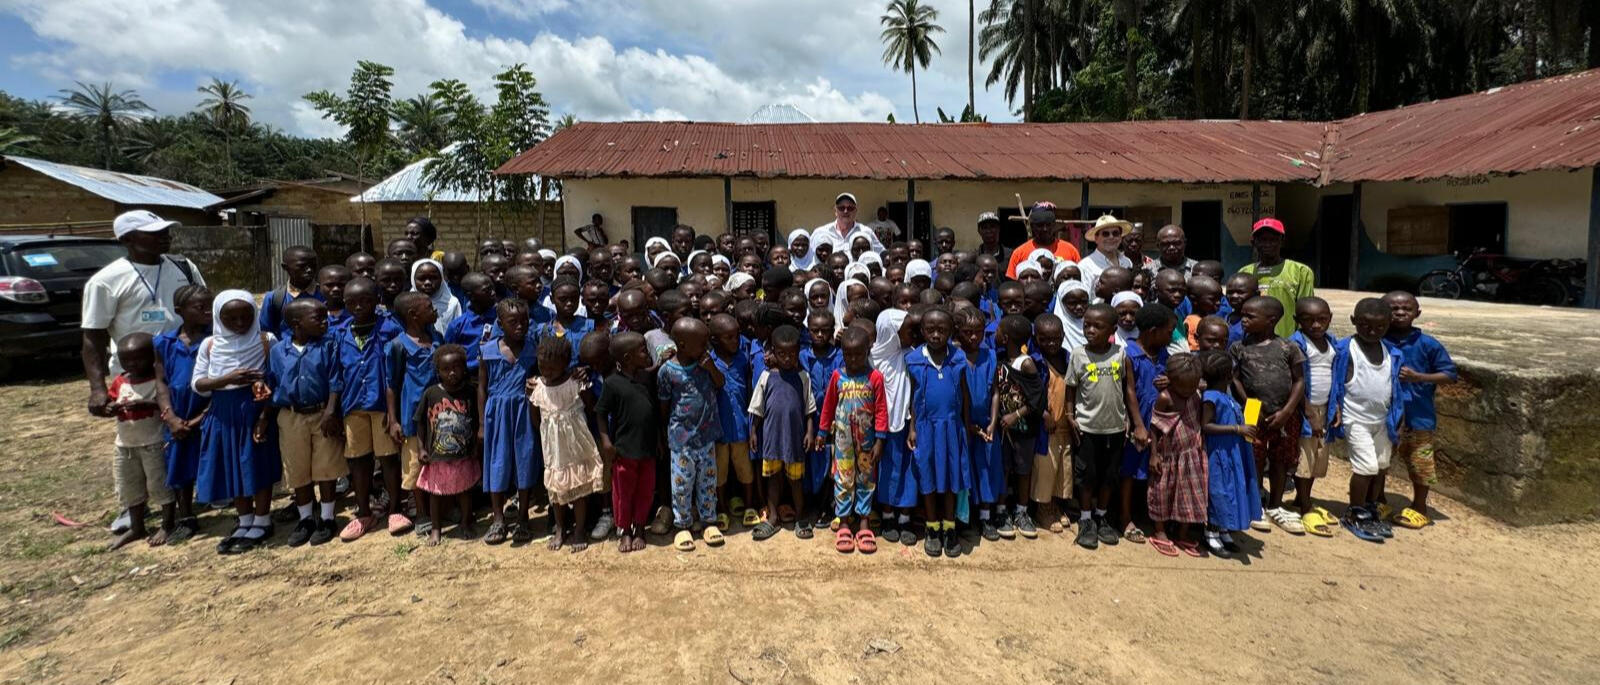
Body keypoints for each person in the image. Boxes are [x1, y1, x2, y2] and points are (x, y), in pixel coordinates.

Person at [83, 210, 207, 426]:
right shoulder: (106, 281)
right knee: (145, 438)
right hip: (139, 377)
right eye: (154, 233)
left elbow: (206, 311)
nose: (165, 236)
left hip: (184, 369)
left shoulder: (184, 267)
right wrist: (97, 388)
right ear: (127, 239)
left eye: (165, 231)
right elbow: (93, 336)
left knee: (189, 431)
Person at [191, 290, 279, 555]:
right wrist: (227, 379)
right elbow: (198, 383)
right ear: (219, 318)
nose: (240, 323)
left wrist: (265, 413)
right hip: (224, 412)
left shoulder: (265, 340)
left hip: (255, 410)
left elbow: (277, 377)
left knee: (257, 464)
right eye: (231, 318)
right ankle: (244, 520)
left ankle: (262, 519)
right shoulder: (210, 345)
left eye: (246, 316)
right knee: (232, 466)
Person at [266, 298, 345, 548]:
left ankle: (327, 517)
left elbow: (335, 380)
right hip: (291, 416)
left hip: (322, 414)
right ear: (296, 324)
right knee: (298, 468)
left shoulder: (328, 345)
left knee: (326, 466)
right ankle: (305, 519)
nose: (325, 322)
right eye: (318, 318)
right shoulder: (278, 351)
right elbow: (272, 382)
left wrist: (331, 411)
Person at [1065, 304, 1142, 550]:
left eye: (1097, 326)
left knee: (1109, 476)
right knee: (1087, 476)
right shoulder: (1078, 355)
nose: (1090, 330)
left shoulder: (1120, 355)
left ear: (1112, 330)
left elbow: (1128, 390)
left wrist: (1134, 421)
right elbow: (1071, 388)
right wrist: (1070, 415)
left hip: (1115, 429)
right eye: (1087, 325)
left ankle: (1101, 515)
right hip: (1087, 428)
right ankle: (1086, 519)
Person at [1329, 298, 1406, 543]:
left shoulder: (1392, 353)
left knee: (1381, 465)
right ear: (1354, 321)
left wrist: (1399, 418)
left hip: (1383, 420)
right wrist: (1335, 408)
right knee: (1366, 467)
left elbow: (1395, 389)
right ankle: (1355, 512)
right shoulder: (1345, 350)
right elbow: (1334, 382)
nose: (1372, 331)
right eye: (1365, 325)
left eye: (1380, 327)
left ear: (1389, 324)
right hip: (1355, 419)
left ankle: (1370, 507)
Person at [1230, 296, 1306, 535]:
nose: (1244, 320)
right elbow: (1235, 379)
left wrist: (1287, 411)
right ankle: (1256, 504)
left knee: (1281, 459)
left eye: (1250, 316)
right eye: (1243, 315)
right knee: (1255, 457)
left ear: (1271, 320)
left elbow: (1299, 381)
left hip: (1285, 412)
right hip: (1252, 409)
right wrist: (1248, 402)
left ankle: (1276, 505)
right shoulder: (1239, 347)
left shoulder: (1288, 347)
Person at [332, 278, 400, 542]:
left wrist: (394, 413)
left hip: (381, 405)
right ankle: (363, 513)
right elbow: (336, 375)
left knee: (388, 457)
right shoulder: (340, 334)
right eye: (352, 302)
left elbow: (395, 370)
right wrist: (333, 410)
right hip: (353, 406)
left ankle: (395, 509)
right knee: (358, 459)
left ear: (377, 301)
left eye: (365, 301)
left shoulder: (389, 329)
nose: (358, 306)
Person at [1383, 291, 1456, 529]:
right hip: (1385, 416)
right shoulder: (1378, 340)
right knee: (1380, 461)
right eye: (1394, 309)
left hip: (1418, 416)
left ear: (1417, 313)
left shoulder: (1428, 344)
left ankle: (1420, 507)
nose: (1400, 313)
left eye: (1406, 309)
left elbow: (1449, 374)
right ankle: (1378, 500)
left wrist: (1419, 377)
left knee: (1420, 463)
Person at [531, 336, 606, 553]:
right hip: (554, 449)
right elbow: (535, 418)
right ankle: (560, 528)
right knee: (556, 490)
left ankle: (579, 530)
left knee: (579, 489)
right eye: (542, 367)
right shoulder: (537, 387)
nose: (546, 372)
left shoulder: (575, 382)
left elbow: (590, 407)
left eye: (552, 368)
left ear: (565, 364)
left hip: (576, 447)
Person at [657, 317, 726, 552]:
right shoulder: (667, 371)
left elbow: (720, 383)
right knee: (682, 485)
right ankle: (682, 524)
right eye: (702, 344)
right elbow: (664, 406)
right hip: (681, 440)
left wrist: (711, 367)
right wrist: (665, 434)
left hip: (706, 437)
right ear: (683, 345)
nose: (706, 348)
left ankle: (708, 521)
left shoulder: (706, 364)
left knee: (707, 482)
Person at [905, 308, 970, 558]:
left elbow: (965, 395)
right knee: (928, 476)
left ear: (950, 332)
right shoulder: (914, 360)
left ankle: (949, 527)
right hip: (925, 428)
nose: (935, 335)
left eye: (941, 330)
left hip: (952, 428)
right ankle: (932, 527)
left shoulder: (958, 358)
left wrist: (965, 427)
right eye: (930, 330)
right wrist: (912, 428)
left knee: (952, 478)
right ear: (922, 331)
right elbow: (913, 397)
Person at [819, 325, 888, 553]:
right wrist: (821, 432)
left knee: (866, 478)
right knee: (843, 478)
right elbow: (828, 406)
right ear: (843, 353)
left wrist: (880, 439)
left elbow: (881, 410)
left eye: (859, 354)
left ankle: (864, 522)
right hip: (843, 441)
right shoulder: (838, 376)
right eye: (848, 355)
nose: (854, 359)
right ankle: (844, 522)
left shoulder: (875, 377)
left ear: (868, 351)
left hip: (867, 441)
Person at [105, 332, 175, 550]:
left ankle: (168, 523)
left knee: (159, 484)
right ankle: (137, 527)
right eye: (126, 360)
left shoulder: (158, 381)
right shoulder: (120, 381)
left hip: (153, 442)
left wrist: (148, 404)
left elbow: (167, 405)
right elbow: (108, 402)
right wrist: (110, 408)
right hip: (125, 445)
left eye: (139, 359)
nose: (132, 364)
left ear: (152, 358)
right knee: (129, 487)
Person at [153, 284, 212, 544]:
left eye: (210, 306)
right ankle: (186, 516)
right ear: (180, 311)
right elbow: (161, 382)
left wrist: (200, 417)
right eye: (200, 307)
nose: (207, 311)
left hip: (208, 412)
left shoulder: (216, 340)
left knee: (213, 459)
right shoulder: (164, 343)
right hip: (177, 414)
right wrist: (171, 417)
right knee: (178, 465)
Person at [748, 325, 818, 541]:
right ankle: (773, 517)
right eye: (782, 354)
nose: (787, 359)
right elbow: (757, 409)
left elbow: (809, 409)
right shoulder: (766, 376)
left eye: (792, 354)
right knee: (773, 479)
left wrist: (810, 432)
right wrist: (753, 432)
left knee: (796, 481)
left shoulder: (803, 377)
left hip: (794, 439)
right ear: (773, 352)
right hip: (771, 438)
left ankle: (800, 516)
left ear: (798, 352)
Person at [478, 298, 539, 545]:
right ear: (500, 323)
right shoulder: (488, 350)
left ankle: (523, 517)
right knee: (497, 463)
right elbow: (481, 387)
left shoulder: (533, 348)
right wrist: (482, 424)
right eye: (513, 321)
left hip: (524, 411)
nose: (520, 326)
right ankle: (498, 518)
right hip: (497, 413)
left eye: (524, 321)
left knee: (525, 460)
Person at [595, 332, 661, 553]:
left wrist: (658, 439)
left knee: (645, 491)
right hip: (624, 451)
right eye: (643, 350)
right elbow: (601, 413)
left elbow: (652, 412)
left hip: (647, 449)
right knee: (623, 494)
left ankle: (640, 527)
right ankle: (625, 530)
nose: (647, 353)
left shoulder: (645, 378)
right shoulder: (612, 383)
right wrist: (606, 442)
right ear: (627, 358)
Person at [408, 344, 479, 546]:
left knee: (465, 491)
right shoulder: (431, 394)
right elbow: (420, 423)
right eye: (446, 369)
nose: (452, 373)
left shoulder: (470, 392)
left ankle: (465, 522)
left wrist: (475, 444)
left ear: (464, 368)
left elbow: (475, 421)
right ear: (438, 371)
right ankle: (436, 528)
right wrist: (421, 448)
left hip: (463, 455)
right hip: (437, 457)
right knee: (436, 494)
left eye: (456, 368)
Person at [385, 292, 441, 538]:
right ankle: (421, 512)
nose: (434, 310)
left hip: (439, 413)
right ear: (413, 315)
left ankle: (441, 506)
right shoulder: (398, 346)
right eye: (429, 307)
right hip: (412, 417)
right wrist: (394, 420)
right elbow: (392, 385)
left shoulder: (436, 338)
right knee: (416, 466)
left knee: (440, 459)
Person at [1117, 303, 1173, 543]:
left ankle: (1151, 515)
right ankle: (1124, 516)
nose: (1171, 336)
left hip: (1158, 422)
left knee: (1154, 469)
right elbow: (1129, 391)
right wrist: (1138, 425)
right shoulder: (1129, 354)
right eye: (1168, 332)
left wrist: (1170, 380)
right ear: (1153, 331)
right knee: (1129, 470)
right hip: (1136, 421)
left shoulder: (1163, 355)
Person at [1146, 353, 1208, 558]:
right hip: (1168, 455)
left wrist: (1197, 387)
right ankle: (1160, 530)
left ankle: (1182, 533)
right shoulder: (1166, 398)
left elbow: (1206, 383)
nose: (1189, 391)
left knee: (1189, 495)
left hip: (1191, 455)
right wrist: (1154, 455)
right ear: (1171, 381)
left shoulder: (1196, 392)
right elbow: (1155, 427)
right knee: (1162, 492)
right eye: (1184, 387)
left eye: (1193, 386)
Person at [1199, 350, 1259, 558]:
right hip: (1218, 454)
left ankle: (1224, 529)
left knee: (1230, 489)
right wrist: (1236, 429)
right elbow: (1206, 425)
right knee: (1218, 492)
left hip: (1233, 452)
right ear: (1228, 376)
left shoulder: (1226, 396)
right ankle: (1211, 533)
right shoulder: (1211, 398)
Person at [1289, 296, 1339, 536]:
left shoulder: (1332, 343)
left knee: (1318, 458)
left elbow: (1334, 376)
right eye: (1308, 320)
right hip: (1305, 410)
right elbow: (1294, 381)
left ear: (1330, 319)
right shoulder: (1296, 344)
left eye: (1322, 319)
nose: (1316, 325)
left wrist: (1335, 406)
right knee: (1305, 459)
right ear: (1297, 320)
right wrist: (1309, 413)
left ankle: (1302, 499)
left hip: (1325, 407)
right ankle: (1305, 506)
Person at [871, 307, 918, 547]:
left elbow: (916, 394)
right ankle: (888, 515)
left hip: (905, 424)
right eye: (907, 331)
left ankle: (905, 517)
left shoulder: (911, 356)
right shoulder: (871, 357)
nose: (913, 335)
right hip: (879, 427)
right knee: (887, 470)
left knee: (907, 469)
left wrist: (913, 426)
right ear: (891, 333)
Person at [707, 314, 756, 528]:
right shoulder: (709, 362)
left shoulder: (743, 359)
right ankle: (722, 509)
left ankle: (749, 505)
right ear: (715, 340)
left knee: (745, 468)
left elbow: (750, 391)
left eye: (737, 336)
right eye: (729, 337)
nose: (735, 341)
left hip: (741, 426)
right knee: (720, 472)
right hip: (718, 429)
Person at [1030, 314, 1074, 535]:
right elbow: (1032, 393)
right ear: (1036, 338)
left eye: (1056, 338)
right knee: (1046, 468)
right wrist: (1043, 414)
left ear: (1063, 336)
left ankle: (1056, 504)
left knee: (1063, 469)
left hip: (1065, 423)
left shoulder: (1068, 358)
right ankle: (1043, 508)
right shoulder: (1035, 362)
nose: (1051, 343)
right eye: (1045, 339)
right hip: (1046, 426)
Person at [799, 310, 843, 529]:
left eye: (824, 331)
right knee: (809, 462)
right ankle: (811, 503)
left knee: (829, 462)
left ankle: (827, 505)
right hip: (809, 419)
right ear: (808, 331)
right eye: (814, 330)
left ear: (832, 331)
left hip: (834, 420)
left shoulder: (839, 356)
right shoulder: (802, 356)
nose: (819, 335)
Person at [1239, 218, 1315, 339]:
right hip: (1253, 343)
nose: (1267, 244)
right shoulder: (1245, 273)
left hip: (1288, 341)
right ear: (1254, 242)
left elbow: (1306, 311)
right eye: (1262, 240)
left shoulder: (1300, 271)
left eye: (1273, 240)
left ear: (1282, 241)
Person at [259, 245, 322, 339]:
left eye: (313, 265)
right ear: (285, 267)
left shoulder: (324, 294)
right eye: (302, 266)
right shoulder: (274, 298)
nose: (309, 270)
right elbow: (266, 334)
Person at [1005, 205, 1082, 279]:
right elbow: (1012, 282)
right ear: (1032, 226)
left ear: (1054, 225)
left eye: (1048, 225)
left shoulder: (1070, 250)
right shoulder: (1019, 253)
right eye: (1040, 225)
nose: (1045, 229)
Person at [811, 193, 885, 257]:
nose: (845, 211)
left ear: (855, 211)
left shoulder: (866, 232)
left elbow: (882, 254)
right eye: (841, 208)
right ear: (835, 211)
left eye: (850, 208)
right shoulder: (821, 232)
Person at [1077, 215, 1134, 295]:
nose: (1111, 237)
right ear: (1096, 238)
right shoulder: (1085, 266)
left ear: (1120, 237)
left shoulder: (1127, 262)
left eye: (1115, 233)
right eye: (1105, 234)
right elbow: (1085, 296)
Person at [410, 258, 460, 336]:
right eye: (422, 279)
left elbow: (458, 330)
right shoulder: (408, 304)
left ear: (442, 279)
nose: (427, 283)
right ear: (413, 280)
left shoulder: (452, 303)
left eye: (433, 278)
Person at [319, 265, 353, 330]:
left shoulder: (356, 315)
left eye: (341, 285)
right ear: (319, 287)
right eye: (329, 285)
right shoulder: (315, 315)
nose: (335, 289)